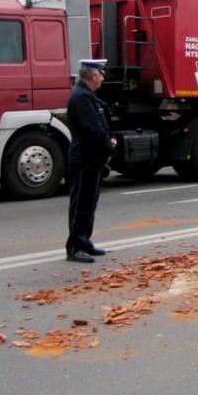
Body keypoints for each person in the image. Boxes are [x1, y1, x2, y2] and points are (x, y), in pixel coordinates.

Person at [65, 59, 117, 263]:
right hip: (85, 158)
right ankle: (75, 247)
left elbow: (99, 127)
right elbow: (91, 130)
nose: (103, 78)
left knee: (89, 201)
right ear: (94, 75)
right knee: (81, 204)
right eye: (102, 74)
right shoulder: (81, 97)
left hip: (92, 157)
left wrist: (107, 145)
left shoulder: (87, 96)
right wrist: (108, 147)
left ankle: (85, 241)